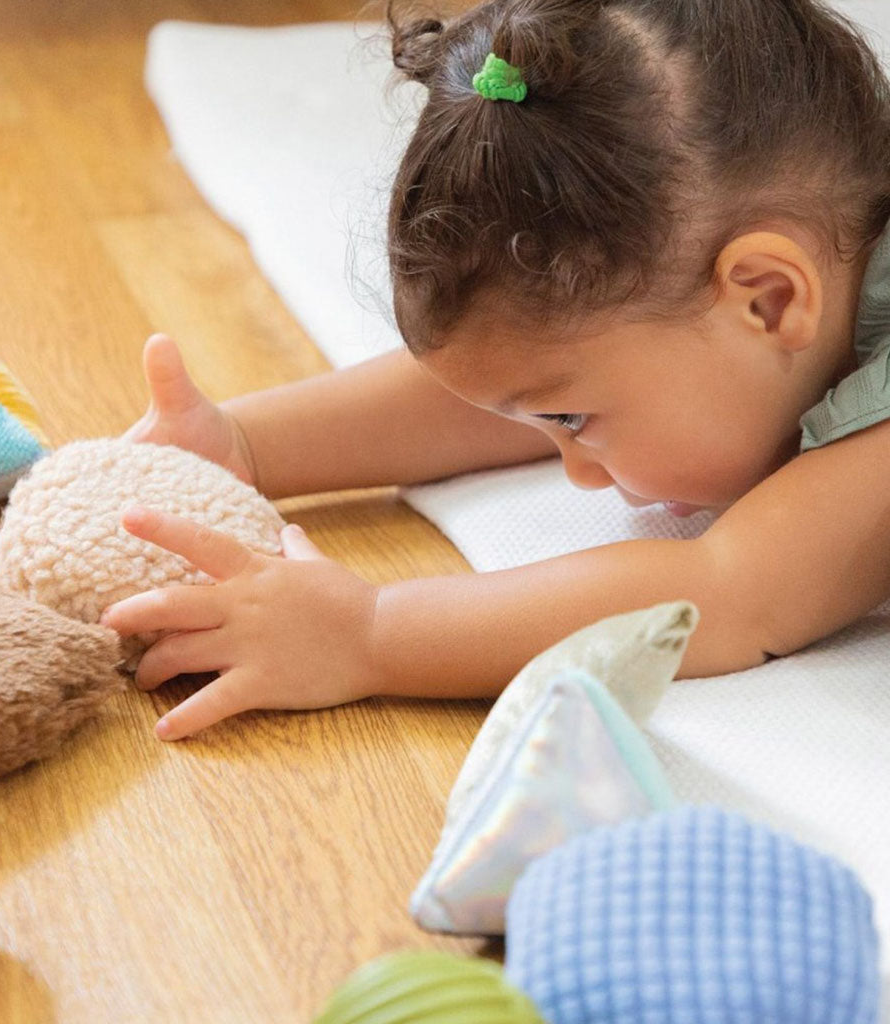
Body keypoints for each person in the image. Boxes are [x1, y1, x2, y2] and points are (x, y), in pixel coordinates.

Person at [102, 0, 890, 740]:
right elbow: (521, 378)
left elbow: (729, 593)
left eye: (574, 422)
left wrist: (368, 634)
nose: (578, 476)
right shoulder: (786, 271)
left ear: (769, 300)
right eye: (556, 426)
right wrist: (247, 444)